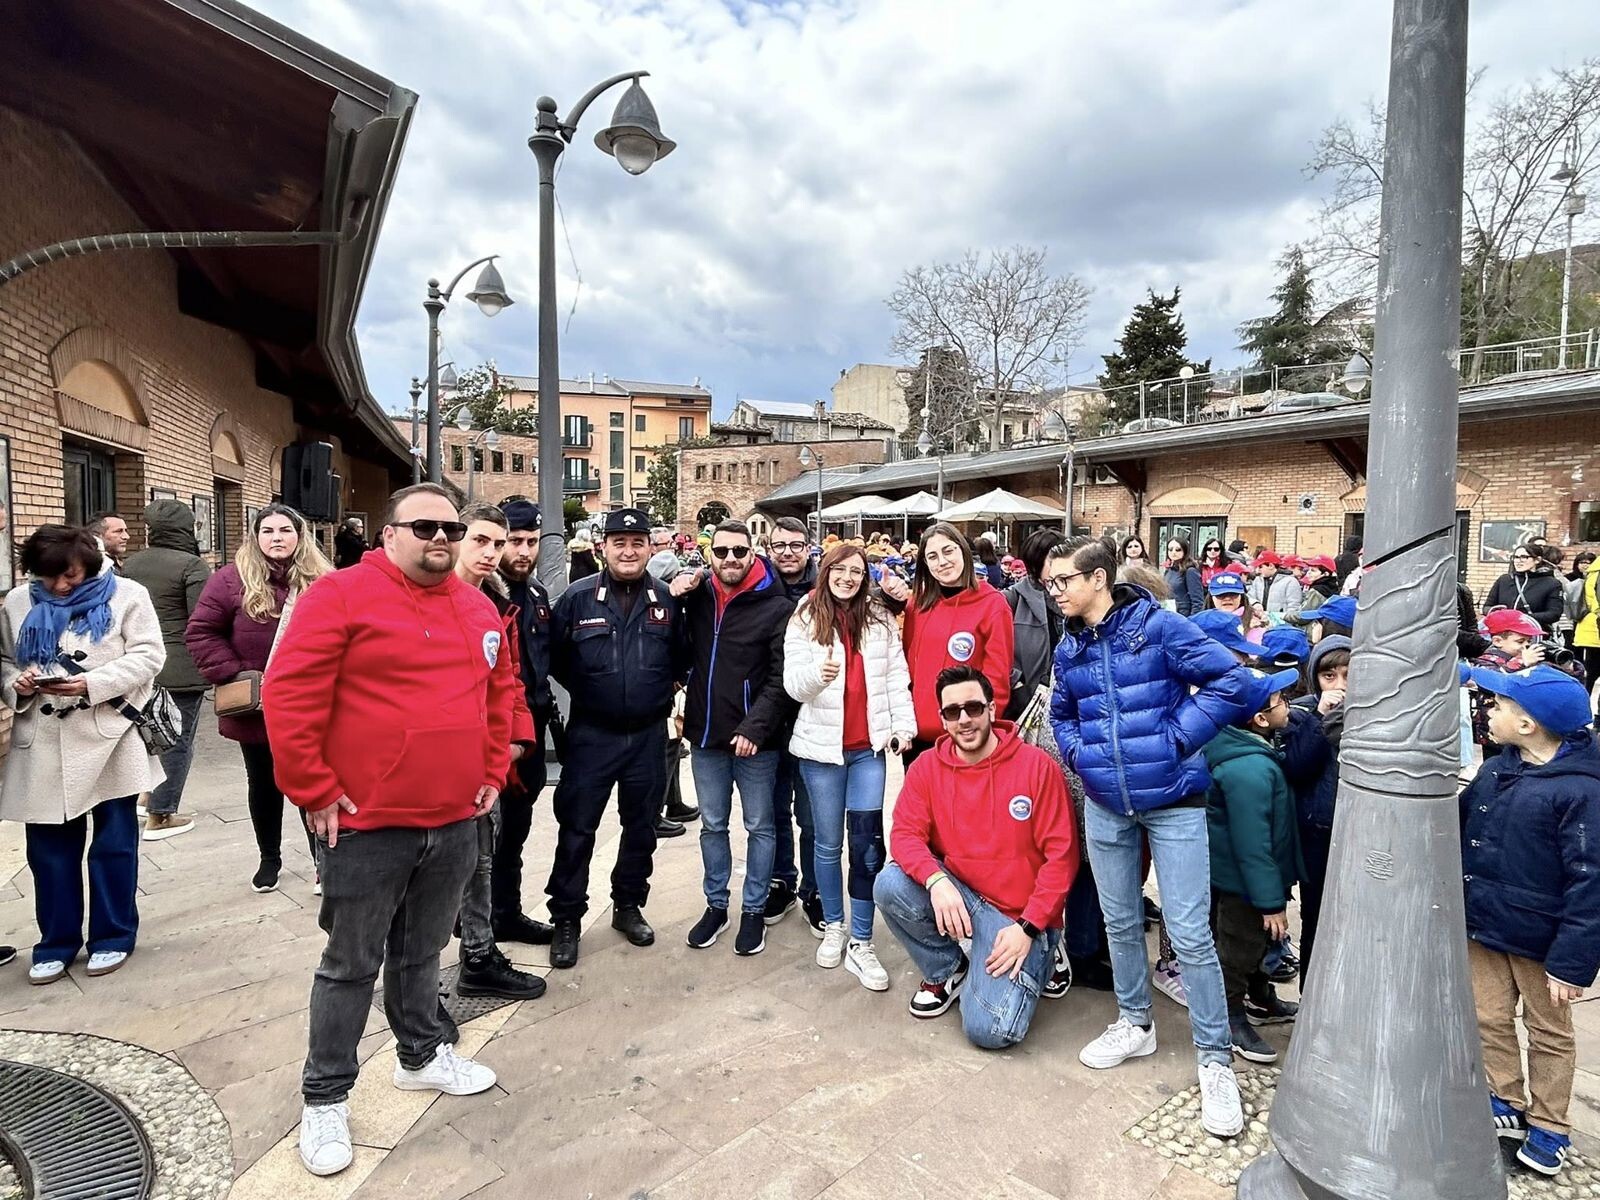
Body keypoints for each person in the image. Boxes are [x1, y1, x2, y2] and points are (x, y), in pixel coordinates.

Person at [263, 483, 514, 1177]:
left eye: (451, 528)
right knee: (350, 961)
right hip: (365, 821)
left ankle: (421, 1054)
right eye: (424, 526)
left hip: (455, 816)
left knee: (423, 950)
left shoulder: (478, 605)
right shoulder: (339, 596)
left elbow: (498, 691)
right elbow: (288, 693)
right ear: (388, 534)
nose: (441, 538)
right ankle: (325, 1096)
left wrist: (494, 765)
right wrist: (312, 788)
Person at [1046, 535, 1253, 1138]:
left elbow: (1230, 682)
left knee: (1190, 933)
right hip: (1107, 805)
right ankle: (1135, 1022)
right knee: (1118, 922)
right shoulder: (1071, 645)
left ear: (1099, 579)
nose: (1055, 590)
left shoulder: (1159, 627)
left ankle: (1216, 1061)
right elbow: (1061, 713)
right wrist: (1084, 757)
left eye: (1064, 581)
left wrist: (1174, 742)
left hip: (1174, 802)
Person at [874, 666, 1077, 1047]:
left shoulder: (1036, 767)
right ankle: (949, 969)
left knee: (990, 1030)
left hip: (1020, 917)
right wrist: (937, 883)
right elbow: (904, 834)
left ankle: (1046, 952)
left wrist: (1029, 928)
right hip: (965, 897)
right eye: (953, 712)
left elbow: (1062, 857)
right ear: (942, 719)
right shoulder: (927, 768)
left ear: (992, 708)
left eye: (973, 708)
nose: (964, 719)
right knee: (890, 883)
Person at [1, 525, 165, 986]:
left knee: (114, 845)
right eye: (48, 576)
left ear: (88, 564)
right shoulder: (17, 602)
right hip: (44, 739)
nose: (59, 586)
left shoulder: (128, 594)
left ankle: (113, 935)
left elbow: (150, 654)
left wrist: (92, 683)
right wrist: (18, 682)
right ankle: (55, 942)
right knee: (49, 851)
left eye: (69, 575)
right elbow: (4, 660)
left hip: (108, 731)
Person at [1460, 664, 1600, 1177]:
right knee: (1488, 1017)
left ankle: (1550, 1123)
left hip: (1543, 941)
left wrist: (1573, 962)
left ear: (1528, 725)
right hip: (1486, 925)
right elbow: (1460, 823)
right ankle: (1504, 1096)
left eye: (1499, 706)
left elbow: (1592, 881)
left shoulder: (1583, 791)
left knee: (1549, 1033)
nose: (1488, 711)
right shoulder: (1497, 767)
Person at [545, 507, 684, 969]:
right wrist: (594, 689)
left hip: (647, 736)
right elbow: (557, 659)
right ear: (603, 546)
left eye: (637, 542)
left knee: (641, 827)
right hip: (592, 736)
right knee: (577, 830)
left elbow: (679, 659)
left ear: (650, 547)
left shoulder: (666, 599)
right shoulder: (578, 599)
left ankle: (628, 904)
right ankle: (566, 918)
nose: (628, 550)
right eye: (619, 542)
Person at [783, 542, 915, 989]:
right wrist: (814, 676)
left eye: (856, 571)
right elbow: (792, 682)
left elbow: (897, 675)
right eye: (839, 569)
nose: (848, 577)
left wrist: (904, 724)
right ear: (826, 572)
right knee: (825, 844)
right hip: (822, 751)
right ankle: (834, 923)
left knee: (866, 844)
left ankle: (862, 939)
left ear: (865, 577)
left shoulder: (878, 619)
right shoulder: (805, 617)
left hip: (867, 751)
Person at [187, 504, 331, 892]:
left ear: (300, 536)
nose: (277, 538)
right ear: (255, 537)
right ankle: (270, 858)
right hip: (258, 707)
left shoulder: (323, 580)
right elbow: (201, 632)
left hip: (311, 704)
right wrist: (236, 675)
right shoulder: (229, 581)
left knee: (313, 782)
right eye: (267, 531)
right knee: (263, 784)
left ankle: (324, 861)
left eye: (285, 530)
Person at [671, 521, 795, 957]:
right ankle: (716, 905)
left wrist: (755, 728)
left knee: (760, 826)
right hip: (705, 736)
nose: (730, 560)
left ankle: (754, 910)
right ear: (710, 555)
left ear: (753, 552)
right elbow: (680, 647)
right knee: (712, 825)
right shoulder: (698, 596)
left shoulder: (776, 605)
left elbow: (781, 679)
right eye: (721, 552)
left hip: (755, 742)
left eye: (738, 552)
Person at [448, 504, 546, 1001]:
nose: (492, 553)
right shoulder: (427, 594)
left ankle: (480, 953)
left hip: (488, 757)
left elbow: (509, 682)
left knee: (485, 856)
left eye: (497, 543)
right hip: (434, 756)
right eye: (479, 541)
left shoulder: (495, 603)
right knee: (432, 872)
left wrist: (514, 741)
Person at [1203, 667, 1303, 1065]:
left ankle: (1261, 996)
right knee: (1237, 950)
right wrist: (1269, 902)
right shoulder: (1249, 769)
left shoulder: (1251, 752)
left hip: (1254, 882)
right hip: (1245, 886)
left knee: (1259, 944)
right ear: (1260, 720)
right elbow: (1252, 844)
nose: (1288, 705)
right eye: (1281, 702)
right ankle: (1229, 1017)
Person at [877, 522, 1013, 758]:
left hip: (966, 737)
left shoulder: (993, 604)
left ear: (963, 551)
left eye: (948, 551)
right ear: (925, 564)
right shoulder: (917, 604)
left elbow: (997, 680)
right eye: (932, 556)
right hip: (919, 737)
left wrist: (984, 731)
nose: (942, 561)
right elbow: (905, 668)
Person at [491, 501, 561, 943]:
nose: (523, 551)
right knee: (483, 839)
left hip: (531, 727)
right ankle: (477, 916)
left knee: (515, 831)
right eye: (514, 542)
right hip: (493, 734)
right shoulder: (484, 595)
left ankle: (505, 912)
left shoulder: (534, 595)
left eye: (531, 542)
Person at [120, 499, 210, 840]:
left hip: (139, 666)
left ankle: (146, 796)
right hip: (181, 669)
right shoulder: (192, 566)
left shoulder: (132, 564)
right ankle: (161, 815)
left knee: (147, 735)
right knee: (177, 740)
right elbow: (202, 621)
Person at [764, 516, 823, 932]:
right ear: (769, 549)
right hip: (769, 719)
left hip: (814, 718)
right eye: (779, 545)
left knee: (813, 814)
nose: (787, 551)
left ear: (808, 548)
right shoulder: (757, 589)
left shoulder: (828, 591)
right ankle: (782, 880)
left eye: (795, 544)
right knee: (773, 810)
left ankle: (815, 890)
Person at [1280, 634, 1350, 986]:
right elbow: (1296, 767)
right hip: (1316, 832)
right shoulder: (1303, 713)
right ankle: (1311, 994)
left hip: (1357, 834)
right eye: (1329, 677)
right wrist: (1321, 722)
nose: (1339, 686)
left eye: (1348, 675)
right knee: (1316, 918)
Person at [1004, 528, 1067, 721]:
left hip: (1068, 701)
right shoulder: (1012, 598)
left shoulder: (1076, 594)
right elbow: (992, 648)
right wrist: (1017, 683)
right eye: (1054, 557)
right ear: (1036, 562)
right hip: (1025, 703)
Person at [1484, 544, 1564, 634]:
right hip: (1503, 634)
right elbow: (1487, 607)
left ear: (1537, 560)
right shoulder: (1504, 580)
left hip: (1534, 634)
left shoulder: (1551, 583)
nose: (1519, 561)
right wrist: (1500, 615)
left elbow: (1554, 614)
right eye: (1516, 557)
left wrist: (1522, 617)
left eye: (1524, 557)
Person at [1247, 551, 1304, 620]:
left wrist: (1281, 620)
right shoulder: (1258, 580)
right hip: (1260, 622)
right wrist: (1255, 603)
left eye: (1260, 567)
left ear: (1271, 566)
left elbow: (1294, 608)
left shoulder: (1290, 582)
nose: (1258, 570)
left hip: (1280, 624)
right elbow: (1249, 597)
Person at [1162, 537, 1204, 617]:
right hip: (1169, 614)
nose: (1173, 552)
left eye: (1178, 550)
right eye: (1170, 549)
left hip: (1184, 616)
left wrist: (1191, 621)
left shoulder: (1190, 571)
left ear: (1184, 551)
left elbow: (1198, 602)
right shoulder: (1169, 571)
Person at [1576, 552, 1600, 686]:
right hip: (1594, 629)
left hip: (1590, 629)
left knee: (1590, 674)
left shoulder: (1593, 572)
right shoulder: (1597, 573)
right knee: (1591, 673)